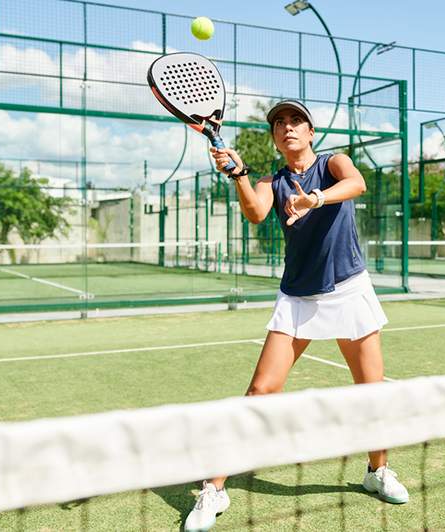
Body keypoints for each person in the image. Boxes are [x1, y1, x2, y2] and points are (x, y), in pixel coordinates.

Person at [184, 99, 408, 532]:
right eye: (279, 123)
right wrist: (240, 176)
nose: (287, 127)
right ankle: (214, 488)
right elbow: (255, 212)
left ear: (310, 132)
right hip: (299, 298)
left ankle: (376, 472)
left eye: (296, 121)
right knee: (260, 391)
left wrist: (316, 198)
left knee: (371, 392)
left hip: (349, 288)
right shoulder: (273, 180)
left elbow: (357, 184)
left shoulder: (333, 163)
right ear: (275, 137)